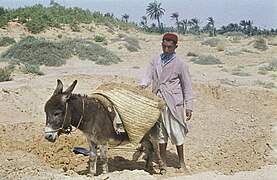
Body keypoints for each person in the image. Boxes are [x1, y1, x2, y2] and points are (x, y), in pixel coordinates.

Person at [139, 33, 193, 173]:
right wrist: (142, 85)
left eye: (169, 47)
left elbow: (187, 86)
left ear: (176, 47)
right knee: (160, 133)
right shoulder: (155, 60)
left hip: (173, 103)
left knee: (176, 132)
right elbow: (147, 76)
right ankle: (163, 162)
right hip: (157, 101)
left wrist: (189, 106)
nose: (166, 49)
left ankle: (181, 162)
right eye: (164, 46)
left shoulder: (180, 64)